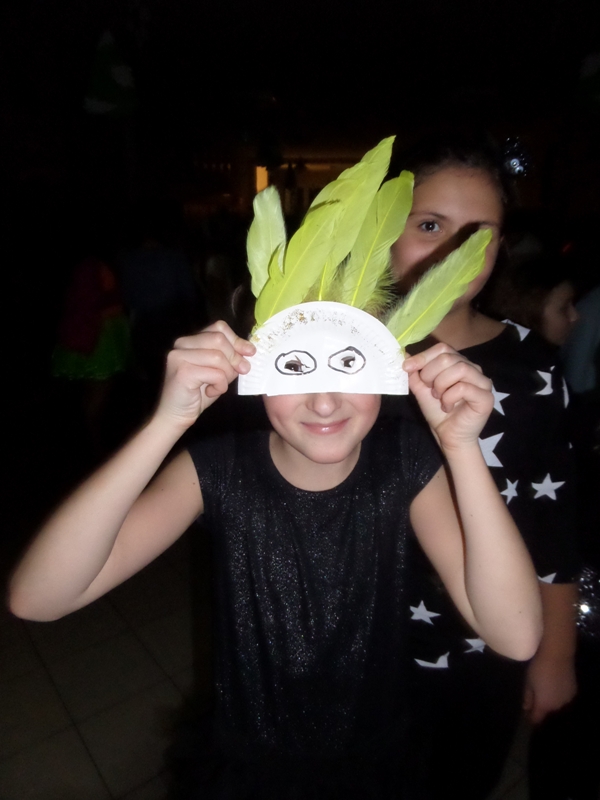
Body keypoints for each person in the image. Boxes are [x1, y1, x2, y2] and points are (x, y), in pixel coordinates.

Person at [8, 138, 542, 799]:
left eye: (348, 367)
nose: (325, 400)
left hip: (377, 763)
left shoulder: (408, 465)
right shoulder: (214, 470)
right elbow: (39, 598)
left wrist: (461, 448)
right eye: (295, 368)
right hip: (246, 769)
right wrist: (165, 423)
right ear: (253, 368)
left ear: (388, 364)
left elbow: (516, 635)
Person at [389, 133, 579, 799]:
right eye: (430, 226)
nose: (454, 253)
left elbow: (554, 519)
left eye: (481, 235)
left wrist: (556, 652)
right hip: (359, 643)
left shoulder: (532, 363)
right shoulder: (339, 356)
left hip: (487, 647)